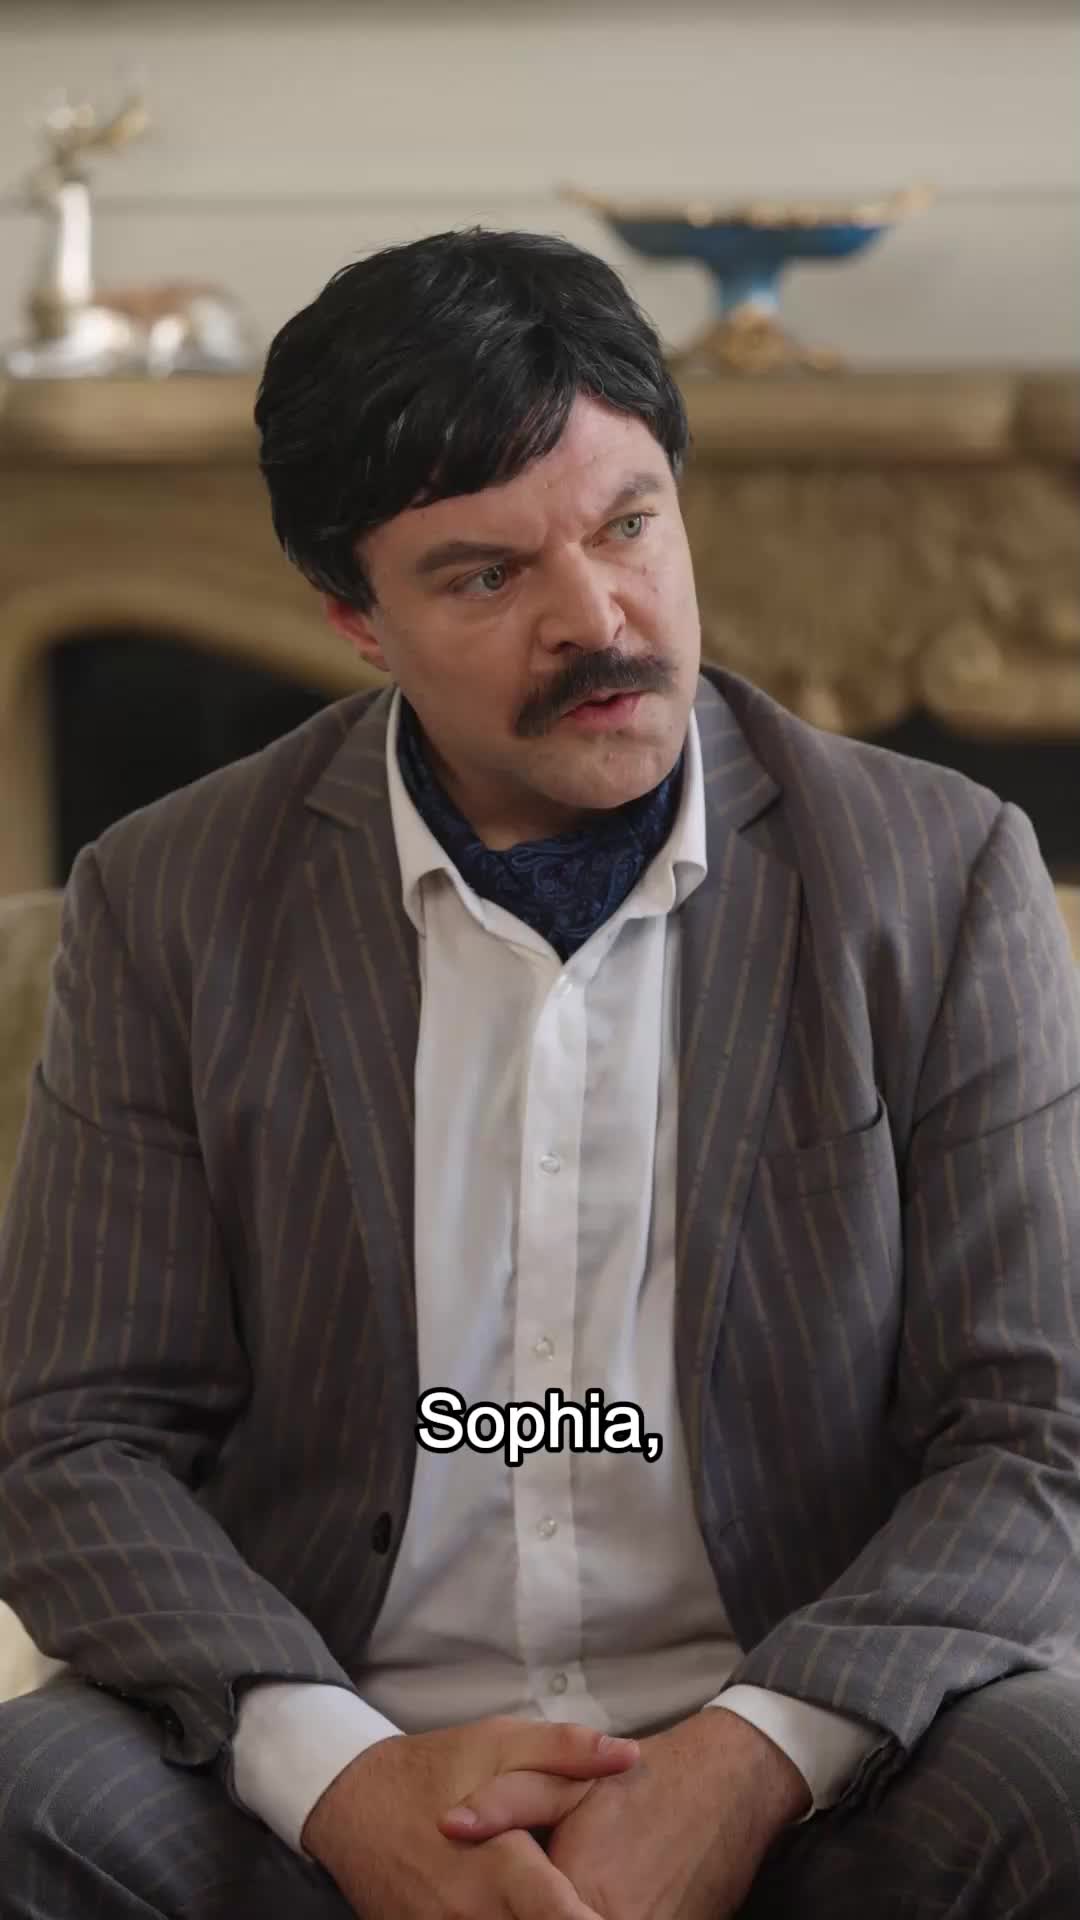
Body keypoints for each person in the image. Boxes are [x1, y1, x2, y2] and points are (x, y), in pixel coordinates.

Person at [1, 226, 1079, 1920]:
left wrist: (749, 1764)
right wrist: (341, 1782)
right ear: (355, 619)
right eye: (487, 577)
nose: (598, 619)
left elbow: (1039, 1429)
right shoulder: (169, 899)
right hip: (333, 1737)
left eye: (628, 525)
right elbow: (71, 1438)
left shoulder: (938, 877)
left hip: (817, 1748)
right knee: (28, 1807)